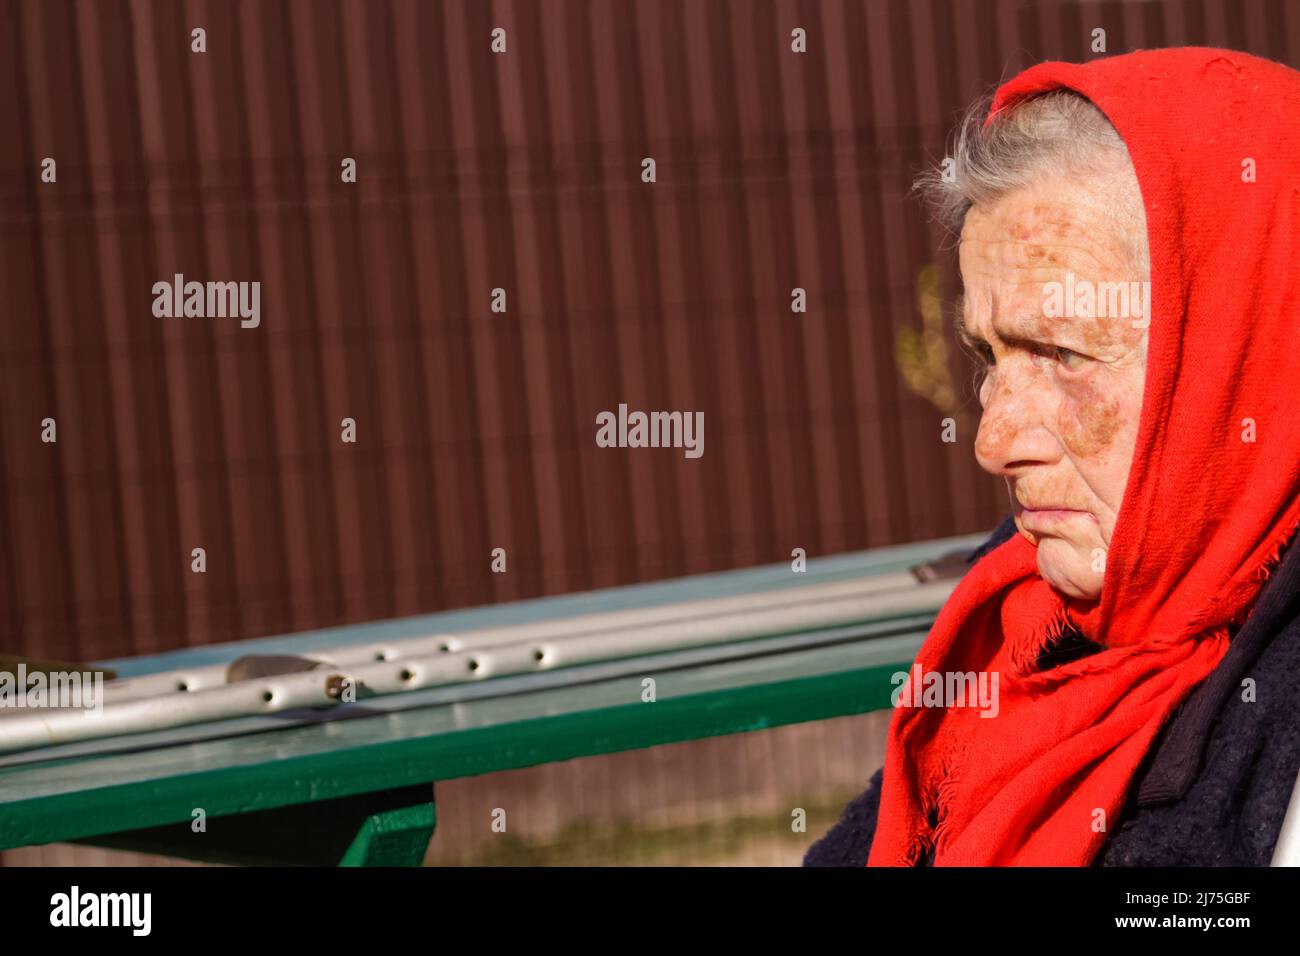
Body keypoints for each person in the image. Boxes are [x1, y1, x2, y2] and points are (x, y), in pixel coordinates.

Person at [807, 47, 1300, 866]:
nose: (992, 442)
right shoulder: (1009, 617)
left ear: (1245, 349)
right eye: (989, 357)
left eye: (1065, 355)